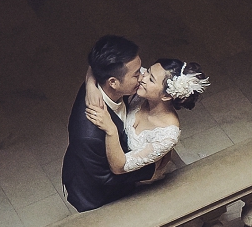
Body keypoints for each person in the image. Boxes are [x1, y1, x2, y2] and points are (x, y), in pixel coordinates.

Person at [62, 35, 160, 213]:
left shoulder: (101, 79)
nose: (143, 76)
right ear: (113, 82)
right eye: (137, 74)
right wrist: (151, 169)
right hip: (98, 194)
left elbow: (94, 66)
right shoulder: (89, 136)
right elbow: (105, 177)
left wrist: (90, 82)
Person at [84, 56, 209, 185]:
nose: (142, 78)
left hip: (138, 179)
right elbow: (100, 61)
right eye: (148, 71)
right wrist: (90, 85)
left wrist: (111, 130)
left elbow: (119, 168)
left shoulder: (167, 135)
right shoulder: (143, 83)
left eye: (151, 79)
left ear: (166, 96)